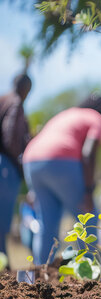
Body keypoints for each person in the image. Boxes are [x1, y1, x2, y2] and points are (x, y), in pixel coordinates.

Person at [22, 94, 101, 265]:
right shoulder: (95, 117)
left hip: (32, 161)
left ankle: (40, 276)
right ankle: (90, 274)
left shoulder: (66, 114)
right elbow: (88, 153)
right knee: (89, 218)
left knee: (47, 224)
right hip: (60, 160)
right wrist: (88, 191)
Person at [0, 73, 32, 256]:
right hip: (6, 167)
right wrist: (20, 163)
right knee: (2, 223)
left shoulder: (2, 99)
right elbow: (10, 135)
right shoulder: (15, 102)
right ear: (26, 88)